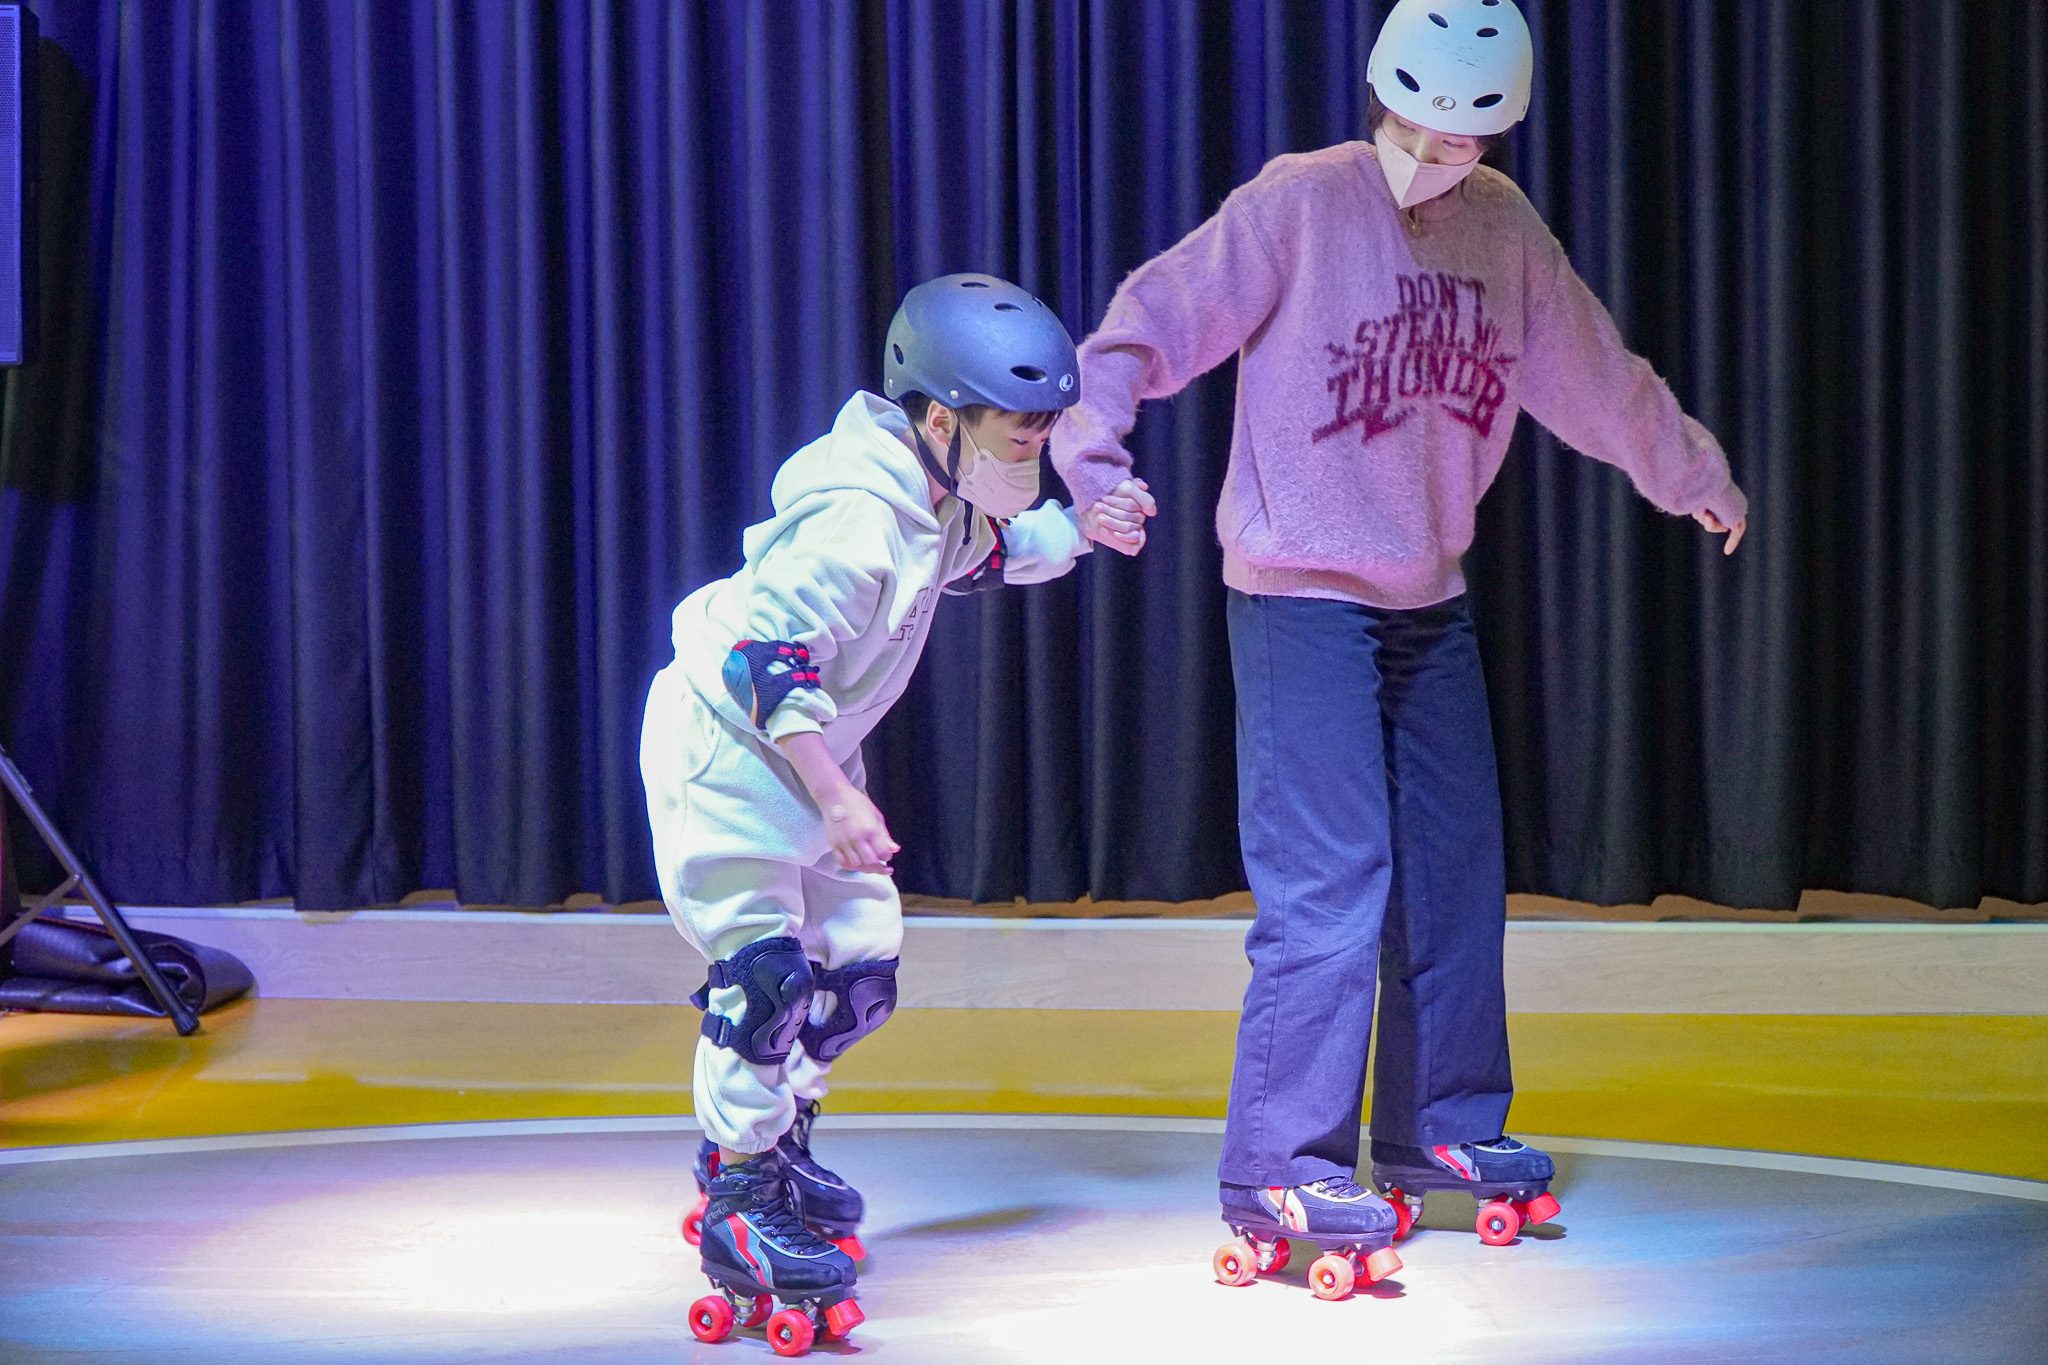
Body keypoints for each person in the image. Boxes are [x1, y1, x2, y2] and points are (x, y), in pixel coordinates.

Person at [1053, 0, 1747, 1284]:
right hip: (1297, 592)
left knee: (1451, 870)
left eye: (1472, 140)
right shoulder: (1300, 203)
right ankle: (1279, 1165)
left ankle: (1440, 1132)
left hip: (1425, 597)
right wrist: (1088, 457)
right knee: (1331, 884)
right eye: (1427, 128)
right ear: (1385, 97)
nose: (1445, 158)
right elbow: (1146, 323)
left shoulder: (1501, 229)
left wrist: (1685, 467)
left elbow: (1590, 367)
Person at [641, 272, 1154, 1345]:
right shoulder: (853, 519)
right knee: (764, 980)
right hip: (726, 745)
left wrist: (1084, 528)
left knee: (857, 974)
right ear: (938, 416)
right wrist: (834, 801)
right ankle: (738, 1199)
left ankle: (779, 1147)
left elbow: (991, 558)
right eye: (1019, 435)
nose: (1034, 451)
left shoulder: (933, 501)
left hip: (803, 752)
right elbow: (765, 663)